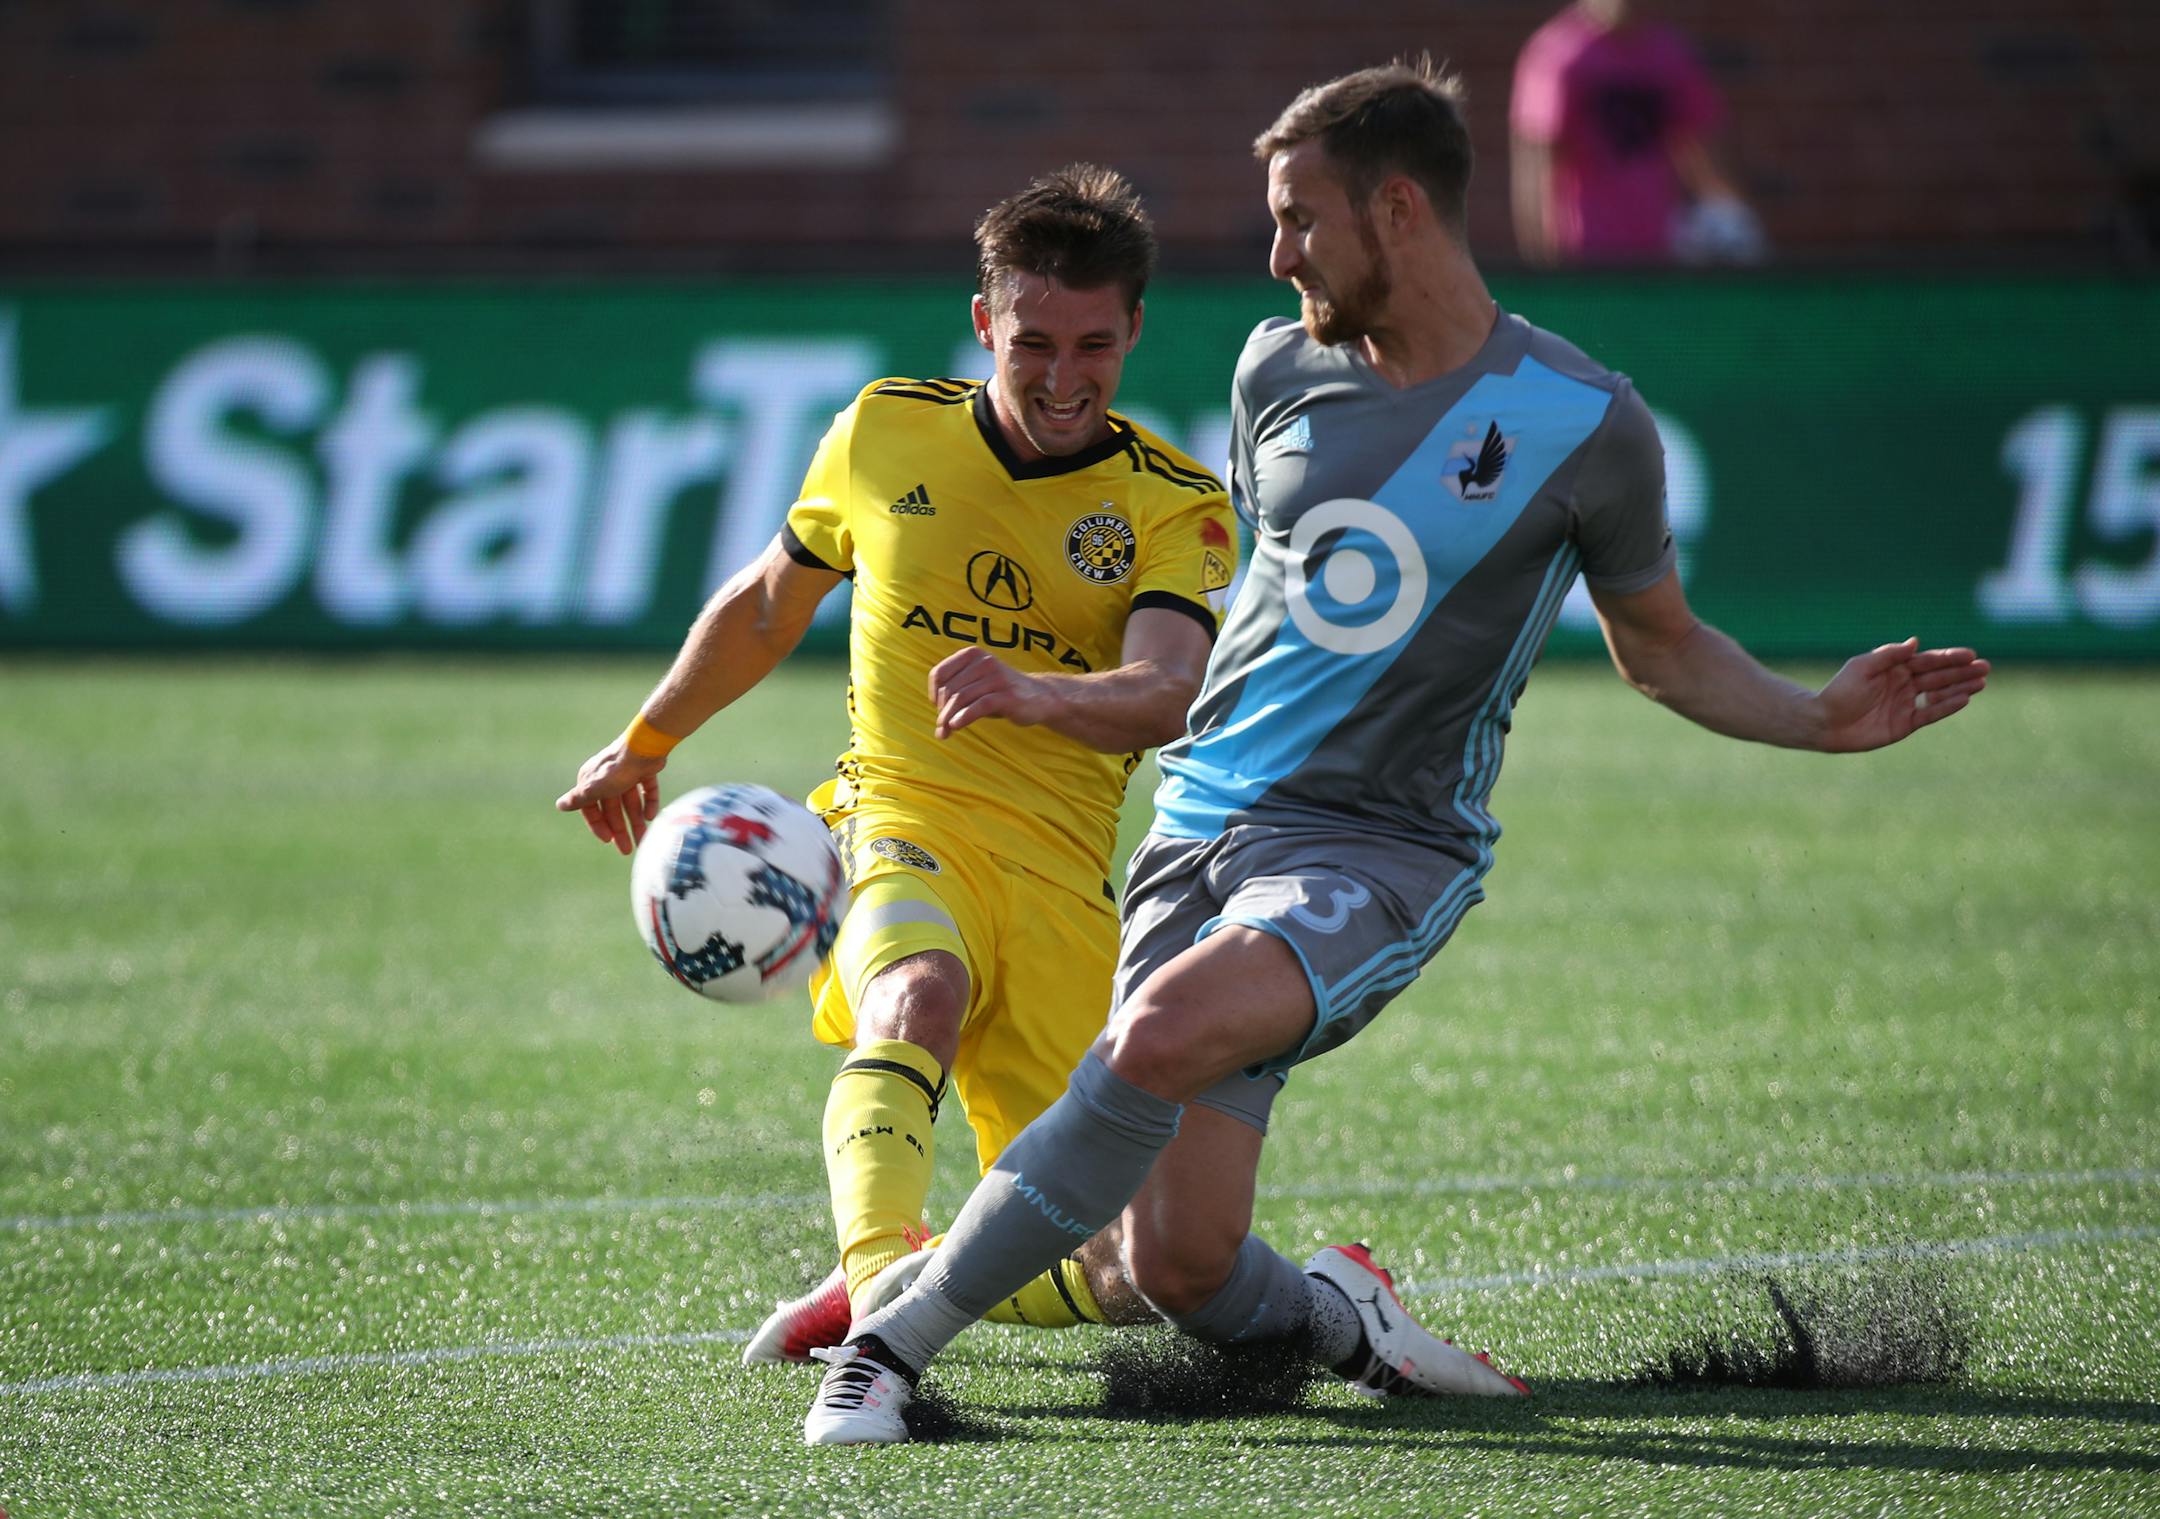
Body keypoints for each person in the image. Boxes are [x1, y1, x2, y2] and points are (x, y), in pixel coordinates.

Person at [802, 59, 1989, 1445]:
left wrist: (1813, 714)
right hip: (1201, 827)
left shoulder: (1584, 420)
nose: (1275, 251)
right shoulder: (1272, 368)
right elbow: (1277, 610)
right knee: (1174, 1265)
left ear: (1402, 211)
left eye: (1300, 217)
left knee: (1155, 1034)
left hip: (1375, 845)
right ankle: (1339, 1318)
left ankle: (885, 1349)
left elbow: (1659, 644)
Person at [557, 165, 1237, 1363]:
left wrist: (1034, 691)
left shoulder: (1175, 501)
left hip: (1067, 883)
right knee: (918, 990)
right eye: (1034, 342)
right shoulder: (884, 430)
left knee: (1136, 1270)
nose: (1063, 376)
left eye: (1095, 345)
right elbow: (771, 604)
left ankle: (895, 1280)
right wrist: (649, 737)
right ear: (986, 322)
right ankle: (881, 1294)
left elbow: (1170, 690)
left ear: (1135, 329)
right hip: (900, 814)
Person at [1510, 0, 1764, 265]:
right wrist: (1542, 259)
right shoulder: (1557, 53)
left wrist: (1738, 222)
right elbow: (1537, 162)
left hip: (1663, 252)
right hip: (1587, 256)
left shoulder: (1670, 54)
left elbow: (1704, 154)